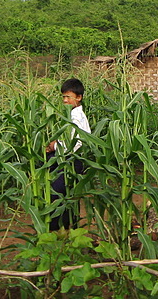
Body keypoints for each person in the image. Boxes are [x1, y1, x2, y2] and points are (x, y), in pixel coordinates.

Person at [45, 78, 91, 231]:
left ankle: (56, 228)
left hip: (72, 161)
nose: (65, 100)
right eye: (63, 97)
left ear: (78, 97)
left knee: (56, 193)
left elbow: (76, 143)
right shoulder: (71, 115)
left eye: (68, 97)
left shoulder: (77, 118)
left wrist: (55, 145)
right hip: (65, 159)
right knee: (62, 192)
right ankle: (66, 226)